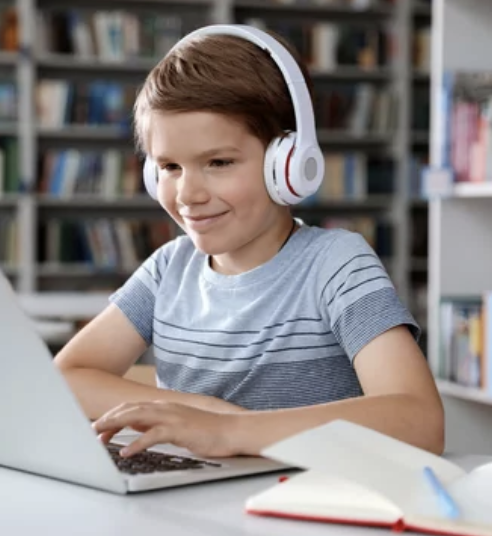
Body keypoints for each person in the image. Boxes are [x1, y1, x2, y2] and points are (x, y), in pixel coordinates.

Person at [54, 25, 444, 460]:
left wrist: (232, 430)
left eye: (218, 162)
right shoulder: (169, 269)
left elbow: (421, 420)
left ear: (289, 164)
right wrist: (199, 412)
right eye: (169, 167)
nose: (188, 194)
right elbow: (68, 373)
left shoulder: (335, 264)